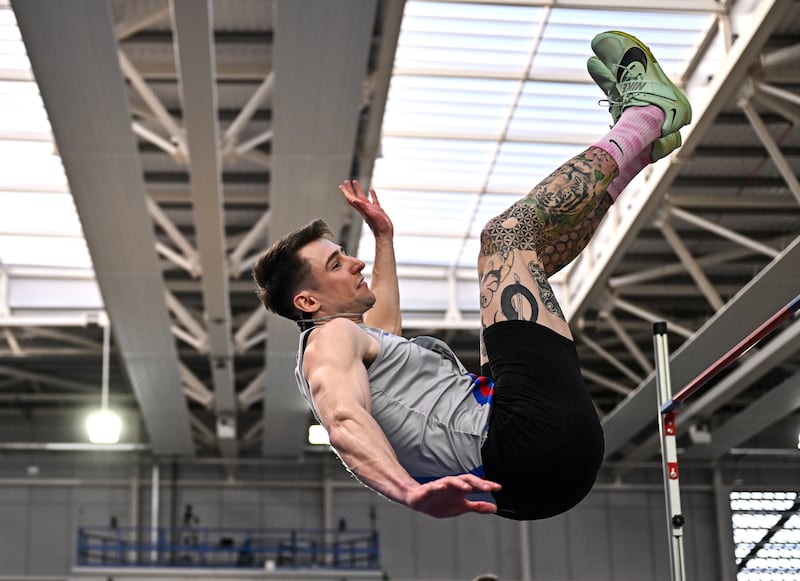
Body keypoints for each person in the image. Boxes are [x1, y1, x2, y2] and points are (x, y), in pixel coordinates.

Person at [252, 31, 691, 520]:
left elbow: (385, 330)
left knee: (524, 269)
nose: (353, 263)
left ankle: (641, 149)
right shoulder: (327, 344)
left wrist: (384, 240)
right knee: (503, 240)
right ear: (308, 303)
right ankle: (646, 115)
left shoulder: (353, 341)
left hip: (528, 483)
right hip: (525, 440)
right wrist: (408, 492)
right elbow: (342, 418)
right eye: (336, 264)